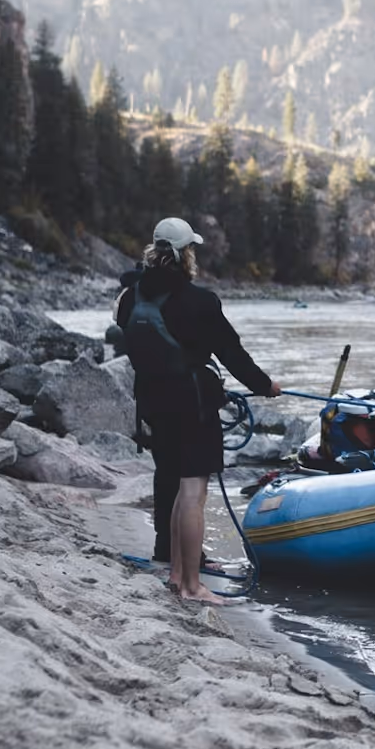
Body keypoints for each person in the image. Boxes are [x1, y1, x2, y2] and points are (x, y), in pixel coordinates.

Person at [115, 217, 278, 603]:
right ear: (186, 253)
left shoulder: (129, 298)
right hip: (193, 407)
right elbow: (232, 354)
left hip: (153, 405)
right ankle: (191, 586)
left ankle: (176, 574)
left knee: (174, 485)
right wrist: (265, 386)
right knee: (192, 493)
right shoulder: (201, 301)